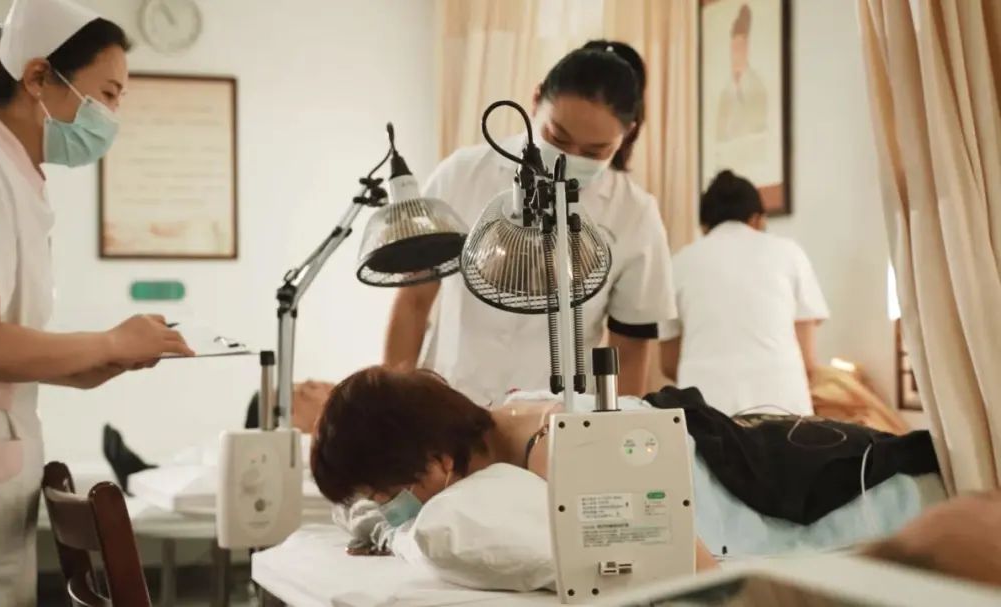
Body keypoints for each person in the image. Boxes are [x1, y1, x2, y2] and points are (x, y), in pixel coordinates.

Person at [0, 0, 193, 603]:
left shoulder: (2, 170)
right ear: (38, 76)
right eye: (108, 94)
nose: (111, 117)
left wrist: (95, 364)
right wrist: (109, 341)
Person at [311, 367, 1001, 590]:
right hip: (800, 463)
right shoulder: (502, 419)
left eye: (392, 493)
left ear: (431, 460)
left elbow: (703, 582)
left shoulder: (565, 447)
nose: (400, 508)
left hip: (861, 496)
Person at [384, 40, 676, 404]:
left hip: (558, 415)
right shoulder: (461, 174)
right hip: (451, 401)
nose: (570, 158)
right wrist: (392, 404)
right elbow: (413, 301)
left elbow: (630, 349)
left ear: (627, 134)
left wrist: (619, 428)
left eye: (594, 151)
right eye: (558, 137)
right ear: (536, 100)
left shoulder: (635, 214)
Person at [659, 171, 828, 416]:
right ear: (758, 219)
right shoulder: (789, 253)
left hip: (706, 412)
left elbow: (668, 364)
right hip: (783, 407)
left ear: (704, 225)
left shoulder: (678, 263)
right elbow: (808, 361)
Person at [715, 4, 768, 142]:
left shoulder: (757, 86)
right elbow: (719, 136)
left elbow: (759, 132)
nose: (736, 53)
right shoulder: (725, 92)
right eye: (734, 47)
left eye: (741, 46)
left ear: (747, 48)